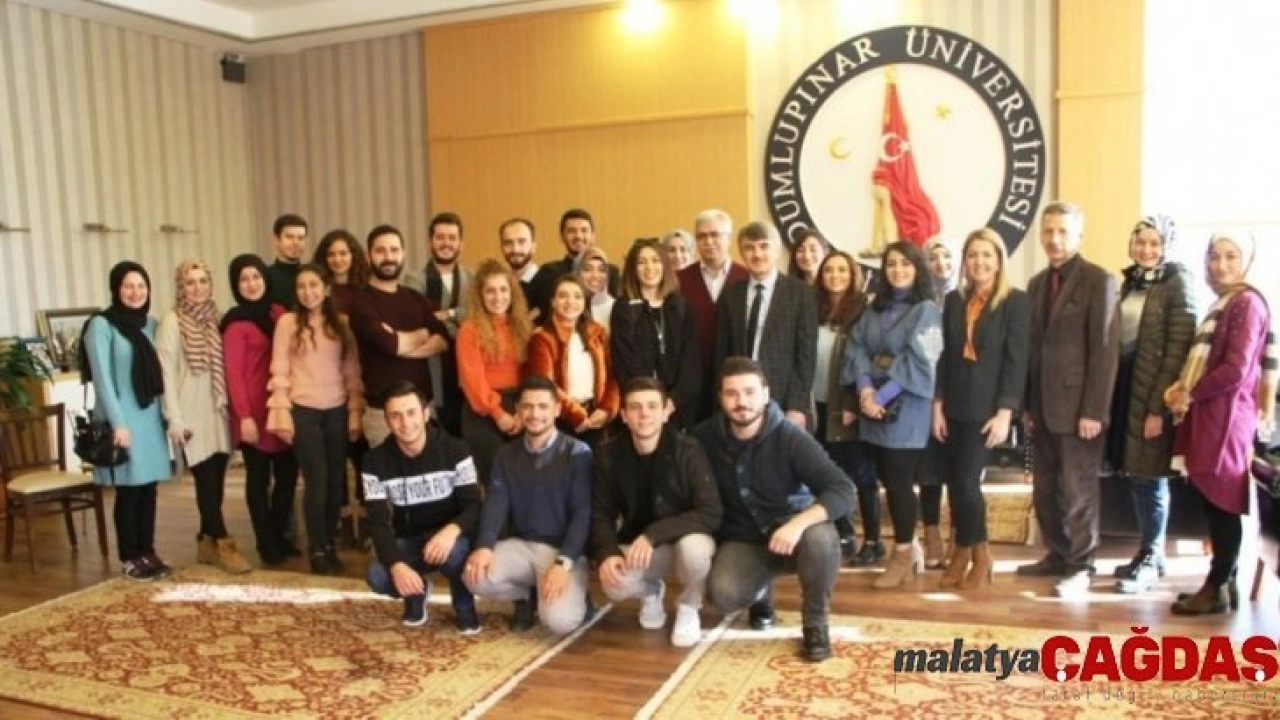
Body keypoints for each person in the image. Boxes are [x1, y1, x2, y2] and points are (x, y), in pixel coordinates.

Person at [693, 358, 853, 662]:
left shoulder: (790, 436)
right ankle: (761, 591)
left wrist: (797, 525)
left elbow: (842, 488)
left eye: (750, 392)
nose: (742, 402)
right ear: (721, 398)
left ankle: (815, 621)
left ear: (766, 394)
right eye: (732, 393)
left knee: (821, 539)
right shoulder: (703, 438)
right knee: (723, 595)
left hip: (796, 535)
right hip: (743, 539)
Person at [1166, 234, 1276, 615]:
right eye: (1214, 256)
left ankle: (1215, 588)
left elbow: (1235, 369)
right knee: (1215, 502)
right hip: (1215, 414)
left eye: (1231, 256)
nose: (1221, 264)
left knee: (1222, 503)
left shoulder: (1246, 303)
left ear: (1247, 261)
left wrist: (1190, 394)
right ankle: (1223, 585)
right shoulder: (1226, 302)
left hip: (1226, 418)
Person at [1019, 201, 1120, 599]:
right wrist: (1028, 404)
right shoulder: (1036, 284)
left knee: (1079, 491)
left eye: (1063, 231)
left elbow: (1105, 350)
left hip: (1080, 409)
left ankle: (1081, 566)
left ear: (1078, 235)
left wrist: (1094, 410)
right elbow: (1033, 350)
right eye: (1048, 231)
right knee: (1045, 490)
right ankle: (1058, 554)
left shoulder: (1099, 280)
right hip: (1042, 408)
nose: (1055, 239)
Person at [932, 229, 1030, 589]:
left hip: (987, 408)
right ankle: (974, 552)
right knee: (956, 482)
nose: (979, 262)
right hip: (954, 404)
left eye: (987, 255)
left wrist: (1006, 411)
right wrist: (938, 405)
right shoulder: (955, 300)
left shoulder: (1016, 301)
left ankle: (973, 553)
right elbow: (945, 356)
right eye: (972, 255)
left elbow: (1017, 361)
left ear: (999, 260)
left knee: (967, 482)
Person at [592, 377, 721, 647]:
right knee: (614, 584)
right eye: (635, 407)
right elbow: (601, 513)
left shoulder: (688, 450)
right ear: (624, 416)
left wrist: (653, 534)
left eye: (652, 406)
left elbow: (710, 511)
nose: (644, 414)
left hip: (685, 538)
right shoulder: (608, 454)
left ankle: (689, 606)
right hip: (644, 549)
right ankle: (651, 592)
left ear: (666, 413)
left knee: (695, 552)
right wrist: (607, 553)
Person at [842, 241, 942, 589]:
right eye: (891, 264)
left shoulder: (926, 310)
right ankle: (911, 548)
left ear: (918, 269)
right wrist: (865, 390)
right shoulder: (874, 308)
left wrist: (881, 395)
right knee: (886, 477)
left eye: (906, 264)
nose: (898, 270)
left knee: (899, 482)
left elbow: (923, 360)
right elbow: (856, 347)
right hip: (872, 406)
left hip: (906, 407)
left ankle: (901, 554)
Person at [1106, 216, 1195, 594]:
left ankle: (1152, 556)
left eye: (1155, 243)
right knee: (1136, 474)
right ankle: (1149, 553)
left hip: (1155, 394)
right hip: (1127, 389)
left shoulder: (1178, 282)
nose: (1146, 249)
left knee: (1151, 477)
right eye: (1140, 242)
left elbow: (1178, 350)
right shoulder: (1131, 281)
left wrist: (1159, 407)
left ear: (1167, 246)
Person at [464, 376, 594, 636]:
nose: (535, 414)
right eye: (528, 406)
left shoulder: (578, 453)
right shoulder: (505, 454)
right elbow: (496, 503)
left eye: (543, 406)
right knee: (473, 576)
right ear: (518, 410)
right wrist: (484, 546)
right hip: (522, 547)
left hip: (563, 553)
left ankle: (580, 597)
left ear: (557, 409)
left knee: (559, 622)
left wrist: (564, 563)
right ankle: (527, 596)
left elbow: (583, 513)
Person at [363, 382, 481, 633]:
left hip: (451, 538)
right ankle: (416, 594)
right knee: (378, 575)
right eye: (396, 416)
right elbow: (377, 522)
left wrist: (450, 532)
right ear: (387, 421)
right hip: (409, 540)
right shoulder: (374, 462)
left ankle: (464, 605)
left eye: (411, 413)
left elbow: (473, 506)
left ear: (426, 414)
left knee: (455, 555)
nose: (405, 423)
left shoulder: (457, 450)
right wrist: (396, 564)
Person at [268, 264, 364, 575]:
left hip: (336, 409)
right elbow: (280, 369)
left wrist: (354, 412)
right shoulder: (287, 323)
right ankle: (317, 549)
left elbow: (351, 370)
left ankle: (330, 546)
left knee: (337, 482)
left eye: (314, 285)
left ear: (326, 289)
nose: (308, 292)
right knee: (317, 480)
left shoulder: (342, 324)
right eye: (302, 286)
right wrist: (281, 413)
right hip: (303, 410)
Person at [156, 259, 251, 574]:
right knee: (205, 478)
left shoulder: (218, 318)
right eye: (190, 283)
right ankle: (224, 542)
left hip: (217, 409)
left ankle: (205, 540)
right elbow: (166, 375)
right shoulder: (172, 322)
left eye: (203, 281)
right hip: (190, 411)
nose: (197, 288)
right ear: (180, 287)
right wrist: (174, 418)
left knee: (216, 480)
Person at [83, 262, 173, 581]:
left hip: (150, 417)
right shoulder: (101, 325)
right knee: (129, 491)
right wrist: (118, 423)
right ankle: (130, 557)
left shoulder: (151, 324)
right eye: (128, 286)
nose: (135, 292)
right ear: (116, 289)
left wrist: (168, 416)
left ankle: (147, 551)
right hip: (122, 418)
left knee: (149, 488)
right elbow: (103, 379)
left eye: (141, 286)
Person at [222, 254, 299, 566]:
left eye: (256, 277)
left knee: (288, 477)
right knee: (258, 480)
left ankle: (279, 536)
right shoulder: (235, 324)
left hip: (280, 407)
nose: (251, 284)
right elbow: (233, 375)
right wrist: (244, 418)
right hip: (252, 412)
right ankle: (266, 544)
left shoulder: (279, 313)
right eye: (243, 279)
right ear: (235, 285)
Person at [347, 225, 448, 447]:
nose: (388, 257)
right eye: (380, 251)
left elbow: (442, 340)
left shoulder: (415, 298)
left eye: (394, 250)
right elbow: (390, 344)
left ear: (403, 254)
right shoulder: (361, 302)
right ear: (368, 256)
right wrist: (422, 334)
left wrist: (401, 345)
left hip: (423, 409)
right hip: (383, 414)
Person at [714, 221, 818, 430]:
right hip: (738, 399)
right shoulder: (731, 294)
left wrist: (797, 405)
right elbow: (721, 352)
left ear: (777, 250)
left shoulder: (801, 293)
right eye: (749, 248)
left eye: (764, 246)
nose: (757, 254)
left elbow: (806, 356)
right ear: (741, 253)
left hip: (783, 400)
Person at [811, 251, 878, 564]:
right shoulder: (813, 308)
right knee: (828, 473)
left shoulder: (865, 310)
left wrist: (853, 400)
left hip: (849, 406)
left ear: (853, 275)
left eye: (842, 270)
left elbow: (868, 359)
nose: (835, 276)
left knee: (862, 475)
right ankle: (844, 534)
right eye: (829, 270)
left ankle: (873, 540)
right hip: (817, 406)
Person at [457, 259, 535, 487]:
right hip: (483, 412)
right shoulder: (469, 330)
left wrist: (522, 411)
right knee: (497, 482)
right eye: (490, 291)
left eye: (503, 289)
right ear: (479, 295)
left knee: (525, 480)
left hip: (519, 407)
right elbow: (472, 380)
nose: (498, 297)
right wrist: (498, 414)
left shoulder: (522, 326)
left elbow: (529, 372)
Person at [610, 238, 701, 429]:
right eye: (641, 262)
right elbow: (625, 360)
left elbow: (691, 360)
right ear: (632, 268)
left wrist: (672, 401)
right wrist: (652, 401)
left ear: (665, 266)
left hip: (679, 407)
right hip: (641, 406)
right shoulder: (623, 308)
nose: (649, 267)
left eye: (655, 260)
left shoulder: (680, 305)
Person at [524, 275, 618, 447]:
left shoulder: (598, 333)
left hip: (597, 418)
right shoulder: (542, 338)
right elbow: (546, 384)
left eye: (577, 296)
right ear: (553, 302)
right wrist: (577, 416)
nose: (570, 302)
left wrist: (606, 409)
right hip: (560, 419)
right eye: (563, 296)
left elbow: (613, 376)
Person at [677, 209, 748, 423]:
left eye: (715, 235)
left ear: (729, 238)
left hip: (735, 379)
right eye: (702, 236)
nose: (708, 242)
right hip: (691, 382)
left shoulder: (747, 278)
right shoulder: (679, 280)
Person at [406, 212, 472, 436]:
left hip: (465, 362)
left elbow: (475, 316)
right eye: (440, 237)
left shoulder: (472, 278)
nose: (446, 243)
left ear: (461, 244)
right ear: (430, 242)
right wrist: (457, 321)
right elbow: (420, 320)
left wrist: (448, 314)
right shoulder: (414, 279)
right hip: (429, 362)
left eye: (452, 238)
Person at [917, 235, 960, 568]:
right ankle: (931, 534)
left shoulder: (968, 297)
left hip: (961, 394)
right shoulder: (918, 300)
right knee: (929, 471)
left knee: (960, 471)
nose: (940, 264)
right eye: (933, 257)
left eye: (947, 257)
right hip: (924, 394)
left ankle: (959, 537)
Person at [527, 208, 621, 319]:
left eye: (584, 230)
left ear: (593, 236)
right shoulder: (549, 272)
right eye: (572, 231)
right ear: (562, 237)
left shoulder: (611, 272)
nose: (578, 236)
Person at [312, 229, 369, 316]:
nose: (337, 260)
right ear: (323, 258)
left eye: (343, 253)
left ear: (353, 255)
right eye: (331, 254)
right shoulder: (316, 287)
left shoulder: (368, 284)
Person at [499, 217, 542, 313]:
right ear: (501, 247)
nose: (515, 249)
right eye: (508, 243)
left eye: (522, 242)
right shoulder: (499, 285)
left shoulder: (547, 284)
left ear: (533, 246)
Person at [266, 213, 308, 307]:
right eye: (289, 237)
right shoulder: (265, 277)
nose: (296, 243)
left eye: (300, 238)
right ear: (276, 240)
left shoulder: (312, 275)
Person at [579, 246, 615, 335]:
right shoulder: (570, 306)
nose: (595, 275)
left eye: (602, 270)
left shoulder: (615, 308)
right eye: (588, 269)